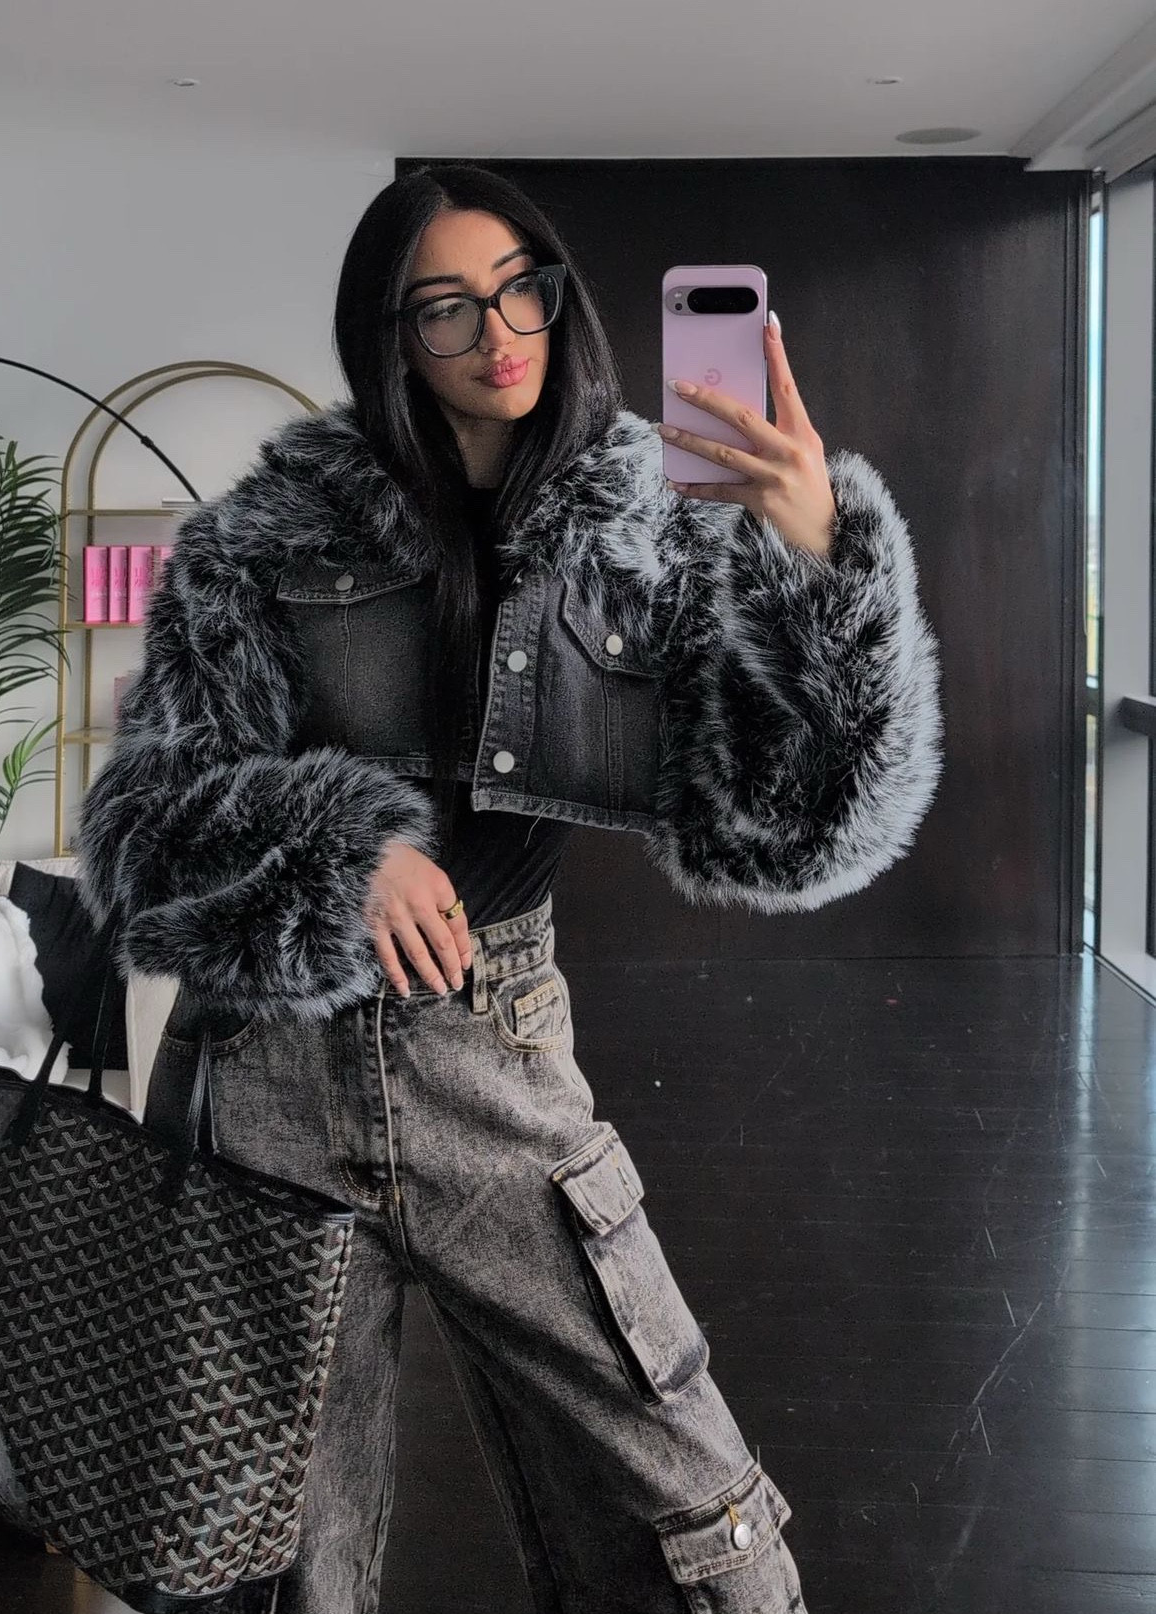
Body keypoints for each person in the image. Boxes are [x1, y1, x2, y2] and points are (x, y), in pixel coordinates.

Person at [75, 162, 943, 1614]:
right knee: (265, 1571)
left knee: (699, 1533)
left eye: (519, 289)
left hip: (495, 1053)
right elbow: (136, 838)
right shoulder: (261, 540)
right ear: (390, 339)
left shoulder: (655, 523)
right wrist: (339, 849)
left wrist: (818, 563)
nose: (498, 335)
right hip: (260, 1084)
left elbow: (787, 835)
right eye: (446, 309)